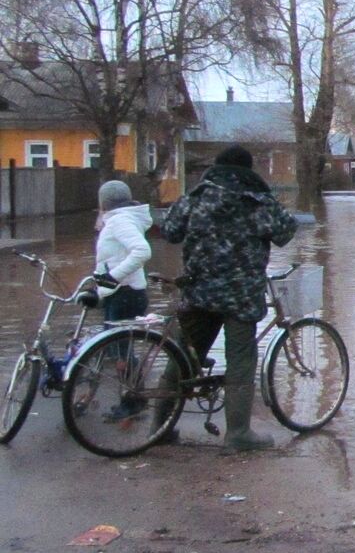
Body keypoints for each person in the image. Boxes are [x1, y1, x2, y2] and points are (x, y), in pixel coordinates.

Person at [163, 144, 298, 451]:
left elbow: (169, 231)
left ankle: (161, 427)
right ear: (248, 170)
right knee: (240, 360)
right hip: (241, 296)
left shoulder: (196, 198)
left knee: (183, 357)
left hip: (198, 292)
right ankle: (237, 433)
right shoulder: (257, 202)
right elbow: (286, 232)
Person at [92, 180, 153, 322]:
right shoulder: (122, 219)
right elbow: (114, 257)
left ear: (104, 202)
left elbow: (142, 250)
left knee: (115, 343)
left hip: (124, 293)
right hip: (121, 291)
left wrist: (113, 277)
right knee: (112, 342)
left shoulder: (120, 220)